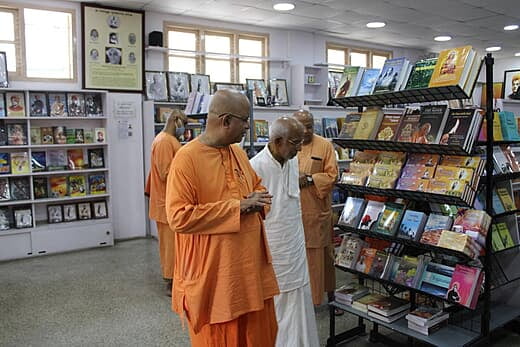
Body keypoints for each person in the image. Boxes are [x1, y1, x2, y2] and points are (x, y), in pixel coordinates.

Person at [165, 89, 279, 346]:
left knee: (258, 336)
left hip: (250, 273)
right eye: (245, 120)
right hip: (216, 278)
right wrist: (237, 207)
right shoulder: (186, 159)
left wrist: (256, 200)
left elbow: (256, 187)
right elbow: (178, 217)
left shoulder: (237, 152)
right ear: (226, 121)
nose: (249, 126)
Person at [250, 117, 319, 347]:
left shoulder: (292, 161)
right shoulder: (255, 167)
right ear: (278, 141)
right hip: (274, 248)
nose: (300, 148)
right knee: (278, 302)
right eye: (295, 143)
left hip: (295, 244)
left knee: (300, 296)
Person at [292, 110, 338, 307]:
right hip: (293, 212)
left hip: (316, 212)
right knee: (297, 258)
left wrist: (310, 179)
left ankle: (327, 298)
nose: (305, 131)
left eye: (309, 126)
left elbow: (332, 176)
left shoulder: (325, 145)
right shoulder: (288, 144)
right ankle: (301, 300)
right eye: (301, 127)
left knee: (322, 259)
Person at [145, 109, 187, 296]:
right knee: (170, 247)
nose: (184, 128)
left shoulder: (169, 140)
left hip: (170, 202)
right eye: (183, 123)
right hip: (165, 203)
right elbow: (166, 173)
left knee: (175, 245)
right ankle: (170, 281)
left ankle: (177, 277)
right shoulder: (163, 142)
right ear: (175, 121)